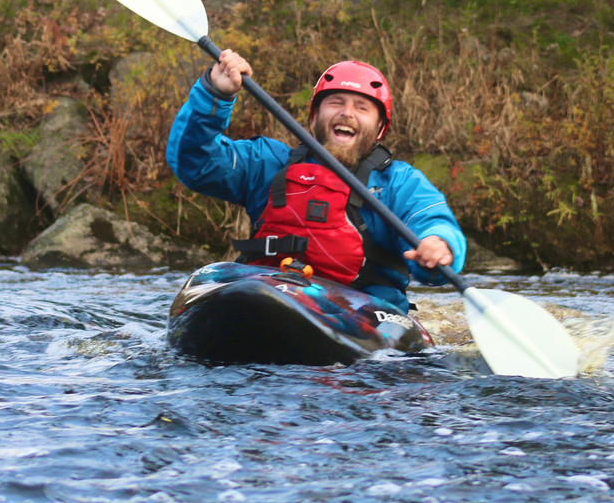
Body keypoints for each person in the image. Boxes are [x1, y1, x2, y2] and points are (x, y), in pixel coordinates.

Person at [166, 50, 467, 315]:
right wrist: (214, 95)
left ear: (379, 130)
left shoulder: (397, 182)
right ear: (315, 117)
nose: (347, 113)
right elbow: (195, 162)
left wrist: (440, 245)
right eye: (336, 102)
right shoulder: (269, 163)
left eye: (362, 108)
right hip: (266, 295)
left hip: (359, 311)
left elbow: (431, 220)